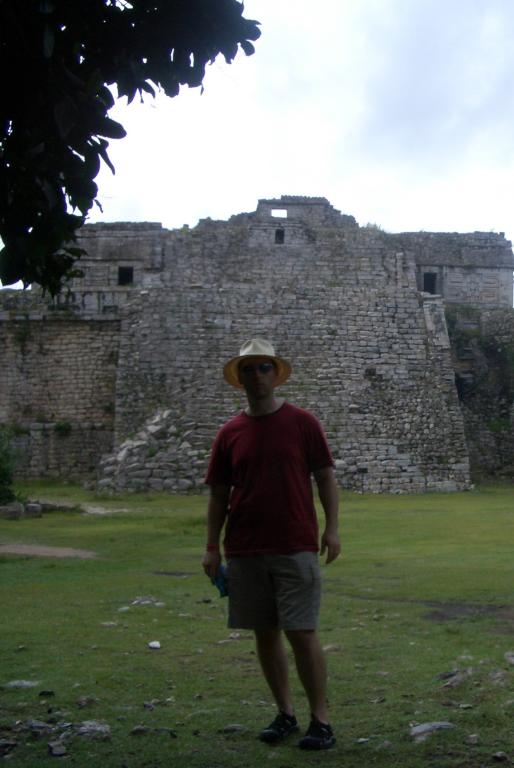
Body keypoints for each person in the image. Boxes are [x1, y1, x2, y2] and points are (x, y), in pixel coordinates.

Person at [202, 338, 341, 750]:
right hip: (245, 547)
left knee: (302, 632)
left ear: (276, 375)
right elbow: (218, 495)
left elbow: (325, 477)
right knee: (264, 634)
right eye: (249, 369)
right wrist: (211, 547)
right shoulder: (229, 433)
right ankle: (285, 713)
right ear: (240, 378)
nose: (258, 375)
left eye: (264, 367)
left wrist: (332, 529)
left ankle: (321, 720)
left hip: (295, 543)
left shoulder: (303, 423)